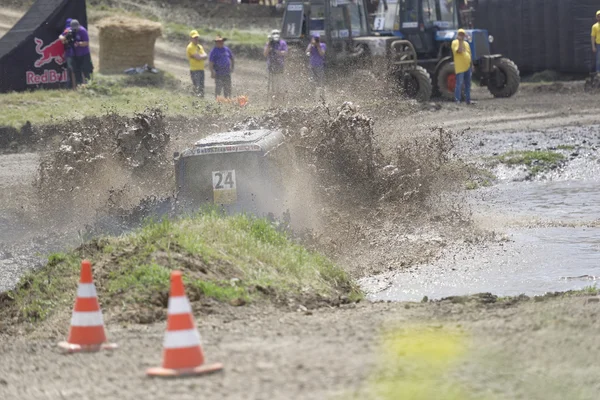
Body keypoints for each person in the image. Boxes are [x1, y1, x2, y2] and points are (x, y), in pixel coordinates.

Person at [60, 19, 93, 87]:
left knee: (86, 69)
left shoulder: (83, 31)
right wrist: (64, 38)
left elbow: (86, 43)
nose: (75, 30)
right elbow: (60, 36)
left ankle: (90, 85)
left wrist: (79, 44)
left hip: (84, 54)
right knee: (77, 70)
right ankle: (79, 85)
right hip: (75, 55)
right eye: (73, 28)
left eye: (76, 28)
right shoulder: (68, 30)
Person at [263, 29, 288, 103]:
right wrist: (269, 45)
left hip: (280, 65)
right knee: (272, 85)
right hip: (271, 65)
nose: (275, 35)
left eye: (277, 33)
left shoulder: (282, 43)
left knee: (279, 85)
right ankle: (273, 102)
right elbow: (265, 54)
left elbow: (285, 53)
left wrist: (277, 52)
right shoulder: (269, 43)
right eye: (274, 33)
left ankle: (280, 101)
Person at [451, 28, 473, 105]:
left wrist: (471, 65)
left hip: (467, 67)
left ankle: (468, 100)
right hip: (460, 67)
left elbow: (470, 54)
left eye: (462, 34)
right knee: (459, 83)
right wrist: (460, 41)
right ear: (458, 35)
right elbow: (459, 50)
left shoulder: (466, 44)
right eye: (460, 34)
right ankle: (457, 100)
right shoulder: (454, 43)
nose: (461, 36)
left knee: (468, 84)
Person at [186, 30, 208, 97]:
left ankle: (200, 100)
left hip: (201, 69)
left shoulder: (199, 46)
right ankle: (195, 100)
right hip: (194, 70)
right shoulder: (190, 47)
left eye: (197, 37)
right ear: (191, 38)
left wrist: (201, 56)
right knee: (197, 86)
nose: (196, 39)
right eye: (194, 37)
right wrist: (201, 56)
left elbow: (205, 56)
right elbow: (198, 57)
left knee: (201, 86)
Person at [305, 33, 326, 99]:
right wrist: (311, 44)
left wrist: (318, 46)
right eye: (315, 38)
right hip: (312, 66)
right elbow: (307, 52)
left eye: (318, 39)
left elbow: (322, 53)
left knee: (320, 81)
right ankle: (312, 96)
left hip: (319, 65)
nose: (317, 40)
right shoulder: (311, 45)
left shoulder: (323, 45)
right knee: (311, 81)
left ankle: (322, 96)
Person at [59, 18, 76, 89]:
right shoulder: (77, 29)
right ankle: (76, 86)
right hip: (77, 53)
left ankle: (72, 86)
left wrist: (62, 38)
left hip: (69, 53)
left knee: (70, 70)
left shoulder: (67, 30)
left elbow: (62, 39)